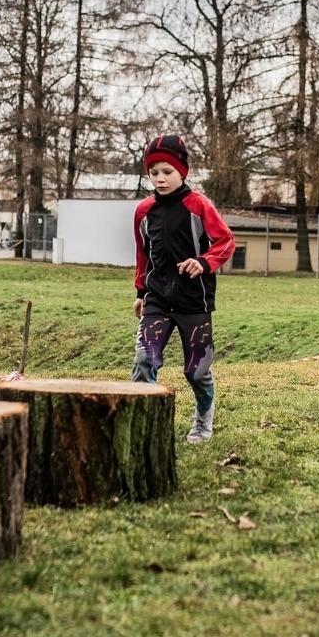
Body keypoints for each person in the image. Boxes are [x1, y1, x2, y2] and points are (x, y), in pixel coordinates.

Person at [130, 135, 235, 444]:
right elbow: (142, 255)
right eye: (153, 172)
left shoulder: (198, 205)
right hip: (157, 301)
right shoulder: (143, 211)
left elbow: (226, 241)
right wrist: (140, 293)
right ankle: (142, 424)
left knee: (197, 372)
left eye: (167, 171)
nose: (160, 179)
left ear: (182, 172)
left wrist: (203, 262)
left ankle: (203, 418)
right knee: (143, 361)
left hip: (194, 302)